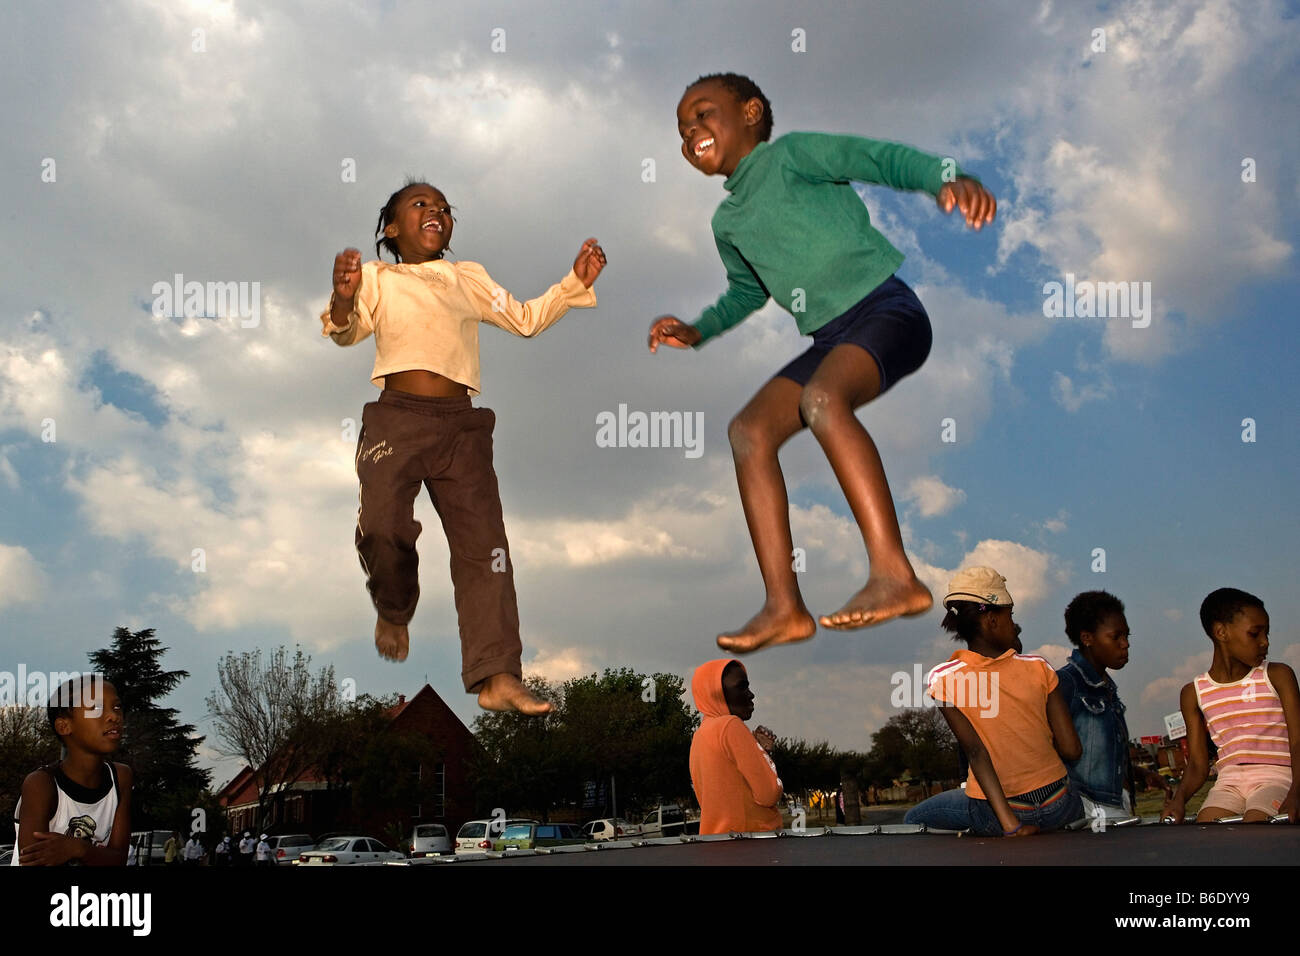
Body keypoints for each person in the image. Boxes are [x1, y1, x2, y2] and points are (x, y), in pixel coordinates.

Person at [649, 73, 996, 653]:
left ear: (752, 112)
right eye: (683, 130)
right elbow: (745, 292)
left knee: (822, 400)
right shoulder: (727, 223)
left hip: (887, 311)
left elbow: (875, 158)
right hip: (830, 340)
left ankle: (894, 575)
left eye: (705, 115)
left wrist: (945, 177)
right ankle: (783, 606)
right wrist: (698, 328)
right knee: (749, 432)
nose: (692, 133)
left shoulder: (792, 154)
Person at [324, 181, 605, 714]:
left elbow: (524, 319)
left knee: (486, 549)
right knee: (384, 527)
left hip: (462, 429)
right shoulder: (379, 278)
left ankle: (497, 674)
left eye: (445, 209)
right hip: (397, 421)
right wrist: (342, 298)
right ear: (391, 228)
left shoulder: (466, 277)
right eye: (421, 205)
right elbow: (347, 331)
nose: (436, 212)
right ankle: (393, 604)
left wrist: (573, 285)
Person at [904, 567, 1082, 836]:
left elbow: (975, 752)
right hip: (1061, 806)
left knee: (913, 817)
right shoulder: (1039, 668)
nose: (1013, 623)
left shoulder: (943, 678)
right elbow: (1071, 750)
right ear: (991, 622)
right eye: (1010, 615)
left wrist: (1011, 825)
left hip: (1003, 814)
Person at [1163, 588, 1298, 823]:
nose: (1265, 642)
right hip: (1228, 783)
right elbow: (1197, 763)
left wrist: (1297, 792)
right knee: (1208, 829)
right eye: (1255, 634)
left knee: (1255, 825)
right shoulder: (1194, 693)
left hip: (1277, 778)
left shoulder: (1277, 675)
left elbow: (1297, 741)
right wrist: (1179, 799)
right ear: (1221, 632)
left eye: (1267, 633)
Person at [11, 675, 133, 866]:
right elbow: (32, 861)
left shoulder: (121, 777)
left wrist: (78, 848)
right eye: (96, 708)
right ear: (64, 726)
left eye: (116, 707)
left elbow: (118, 860)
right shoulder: (41, 784)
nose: (113, 716)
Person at [1056, 591, 1137, 820]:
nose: (1125, 644)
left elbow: (1099, 754)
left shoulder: (1107, 688)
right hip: (1087, 808)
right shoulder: (1065, 684)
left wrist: (1136, 774)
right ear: (1087, 638)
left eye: (1127, 635)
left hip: (1115, 802)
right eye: (1116, 637)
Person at [689, 659, 783, 834]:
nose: (751, 694)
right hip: (752, 845)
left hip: (718, 846)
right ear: (717, 693)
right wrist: (763, 754)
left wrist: (760, 751)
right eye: (742, 687)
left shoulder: (700, 735)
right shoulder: (731, 726)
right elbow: (769, 794)